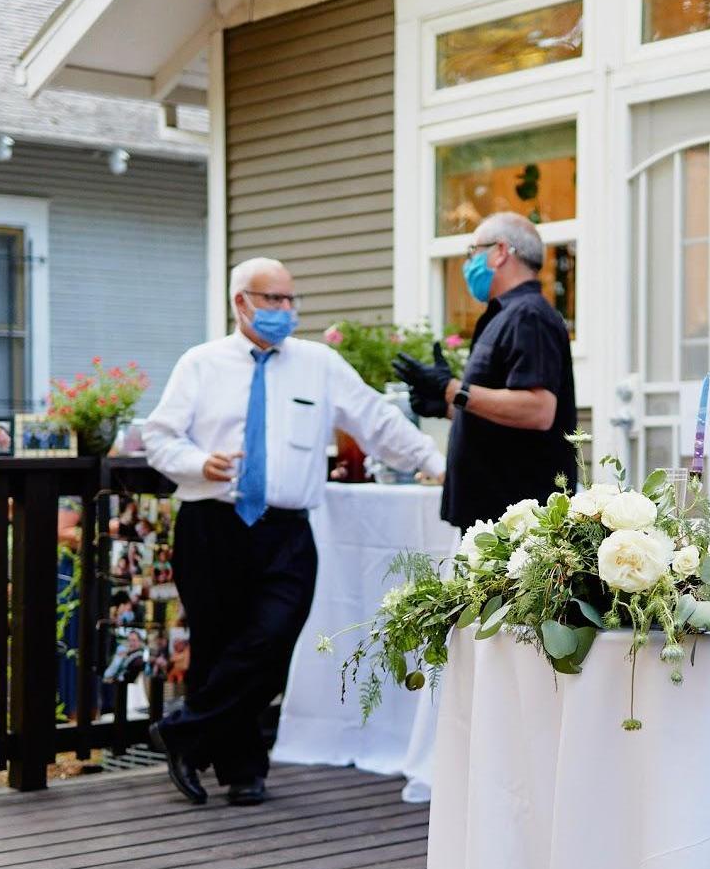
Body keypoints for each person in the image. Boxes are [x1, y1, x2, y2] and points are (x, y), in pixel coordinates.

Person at [142, 257, 444, 806]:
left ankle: (183, 731)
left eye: (290, 300)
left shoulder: (319, 365)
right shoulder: (200, 364)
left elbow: (375, 420)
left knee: (273, 637)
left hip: (285, 529)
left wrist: (436, 462)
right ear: (241, 302)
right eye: (272, 300)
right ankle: (241, 770)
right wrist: (196, 462)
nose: (285, 310)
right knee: (217, 643)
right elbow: (159, 438)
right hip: (212, 522)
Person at [392, 211, 576, 532]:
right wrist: (447, 406)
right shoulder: (504, 316)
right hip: (489, 514)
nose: (468, 264)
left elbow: (538, 410)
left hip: (516, 519)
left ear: (501, 251)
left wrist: (455, 390)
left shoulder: (530, 315)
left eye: (473, 252)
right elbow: (499, 409)